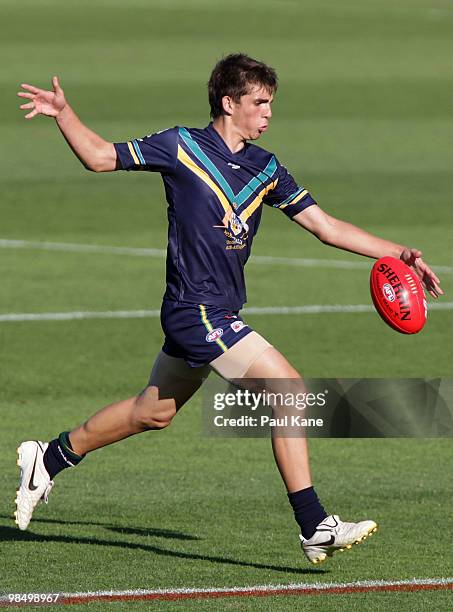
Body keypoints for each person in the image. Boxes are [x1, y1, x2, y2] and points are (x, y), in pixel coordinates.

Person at [15, 54, 442, 565]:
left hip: (217, 311)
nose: (267, 115)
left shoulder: (266, 167)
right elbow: (101, 156)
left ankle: (50, 456)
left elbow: (325, 226)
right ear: (228, 102)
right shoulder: (180, 146)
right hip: (196, 311)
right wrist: (64, 113)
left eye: (270, 104)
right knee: (289, 391)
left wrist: (400, 253)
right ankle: (315, 525)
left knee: (150, 413)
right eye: (259, 103)